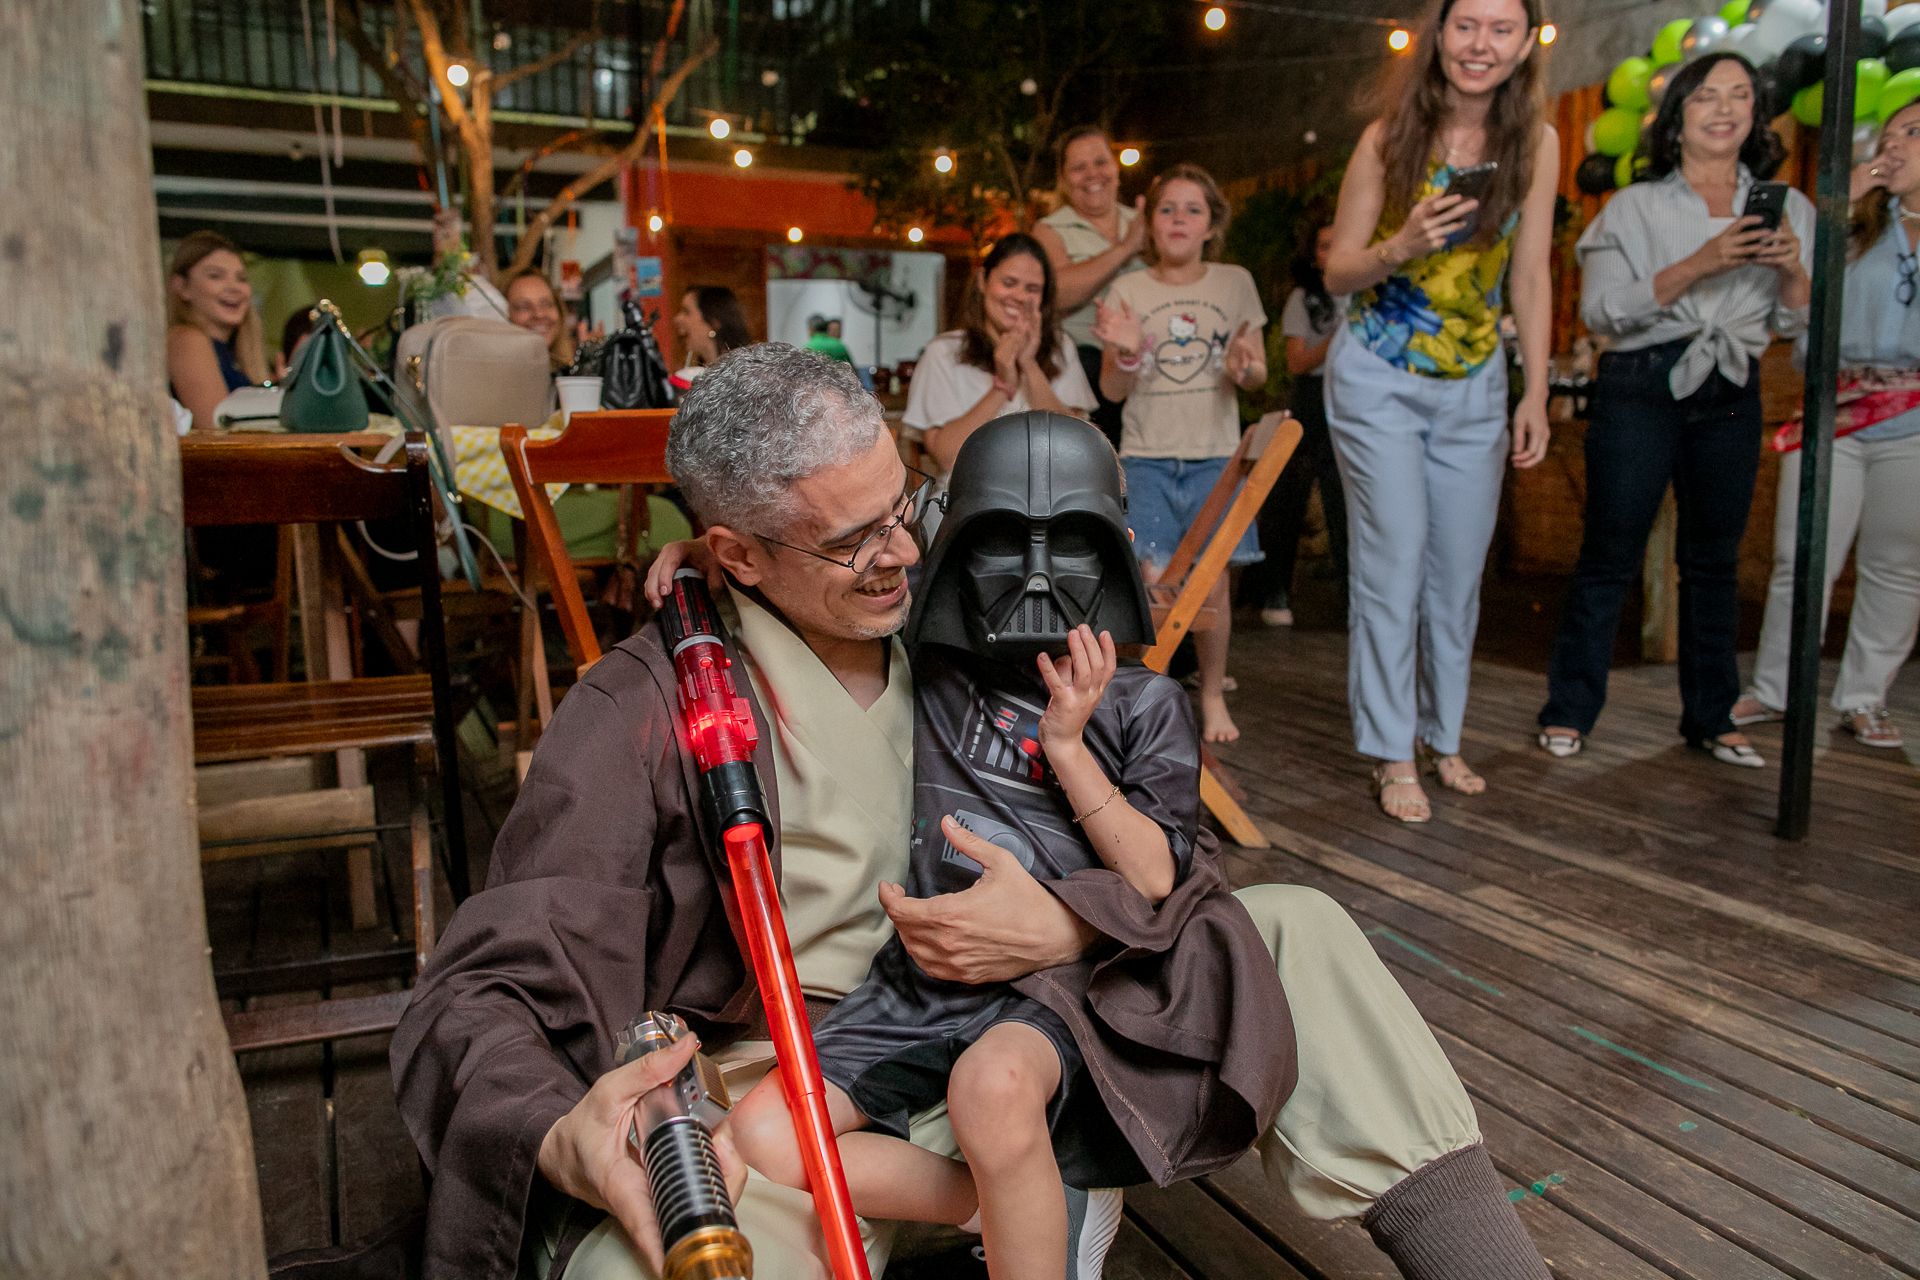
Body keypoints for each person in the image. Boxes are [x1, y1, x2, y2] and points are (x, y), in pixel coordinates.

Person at [392, 343, 1550, 1280]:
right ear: (735, 553)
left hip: (1048, 1010)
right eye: (852, 543)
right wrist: (561, 1128)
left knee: (1296, 926)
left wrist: (1071, 927)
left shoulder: (967, 618)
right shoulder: (649, 704)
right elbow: (486, 985)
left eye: (905, 507)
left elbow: (1156, 850)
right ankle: (1025, 1198)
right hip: (826, 1092)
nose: (900, 555)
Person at [726, 414, 1292, 1280]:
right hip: (922, 982)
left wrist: (1068, 746)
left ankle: (1031, 1208)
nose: (1034, 579)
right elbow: (820, 568)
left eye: (1064, 544)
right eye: (1001, 544)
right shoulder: (937, 665)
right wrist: (709, 564)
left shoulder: (1146, 707)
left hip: (1058, 985)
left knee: (991, 1091)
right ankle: (1000, 1197)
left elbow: (1152, 877)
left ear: (1112, 549)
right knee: (762, 1135)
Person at [1536, 51, 1811, 767]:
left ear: (1756, 114)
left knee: (1714, 562)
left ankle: (1713, 717)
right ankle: (1568, 710)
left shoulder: (1790, 205)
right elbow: (1602, 311)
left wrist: (1791, 272)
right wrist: (1704, 260)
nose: (1724, 109)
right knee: (1609, 553)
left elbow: (1795, 325)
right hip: (1641, 382)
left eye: (1740, 96)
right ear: (1678, 116)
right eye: (1706, 97)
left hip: (1731, 383)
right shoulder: (1635, 207)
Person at [1320, 0, 1557, 821]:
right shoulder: (1388, 138)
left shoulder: (1537, 143)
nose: (1480, 44)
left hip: (1476, 382)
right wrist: (1404, 244)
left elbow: (1529, 275)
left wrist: (1535, 389)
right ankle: (1390, 753)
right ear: (1439, 35)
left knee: (1457, 574)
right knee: (1393, 565)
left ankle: (1440, 736)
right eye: (1466, 25)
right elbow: (1339, 271)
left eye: (1501, 28)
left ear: (1526, 43)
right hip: (1379, 374)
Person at [1731, 102, 1920, 750]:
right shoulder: (1845, 226)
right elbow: (1796, 318)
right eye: (1888, 135)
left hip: (1914, 420)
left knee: (1897, 564)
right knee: (1801, 555)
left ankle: (1864, 697)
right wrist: (1840, 211)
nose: (1894, 146)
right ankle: (1777, 688)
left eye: (1912, 135)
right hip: (1833, 409)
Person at [1093, 163, 1269, 744]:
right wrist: (1121, 354)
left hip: (1215, 456)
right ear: (1150, 221)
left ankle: (1213, 694)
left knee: (1212, 587)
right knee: (1156, 582)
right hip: (1144, 455)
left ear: (1211, 223)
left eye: (1193, 210)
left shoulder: (1234, 282)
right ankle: (1153, 697)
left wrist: (1246, 368)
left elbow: (1257, 372)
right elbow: (1112, 393)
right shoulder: (1128, 290)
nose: (1179, 219)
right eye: (1167, 208)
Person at [903, 233, 1096, 477]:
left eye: (1032, 288)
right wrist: (1002, 386)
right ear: (983, 280)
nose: (1019, 296)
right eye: (1008, 283)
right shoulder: (943, 351)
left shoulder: (1061, 346)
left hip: (1049, 497)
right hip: (971, 500)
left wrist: (1028, 365)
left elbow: (1076, 452)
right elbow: (948, 458)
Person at [1239, 219, 1351, 628]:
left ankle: (1354, 602)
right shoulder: (1304, 299)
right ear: (1312, 255)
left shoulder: (1364, 293)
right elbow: (1296, 361)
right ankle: (1272, 591)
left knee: (1347, 505)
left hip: (1354, 401)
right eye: (1324, 245)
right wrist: (1338, 339)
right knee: (1287, 500)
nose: (1332, 251)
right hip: (1312, 402)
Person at [1034, 125, 1150, 448]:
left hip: (1148, 355)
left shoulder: (1144, 220)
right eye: (1078, 167)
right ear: (1064, 179)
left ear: (1115, 168)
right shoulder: (1049, 230)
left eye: (1100, 162)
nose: (1092, 174)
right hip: (1087, 365)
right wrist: (1127, 248)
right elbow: (1058, 292)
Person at [166, 230, 268, 431]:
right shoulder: (187, 340)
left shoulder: (236, 354)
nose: (234, 288)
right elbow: (216, 430)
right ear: (182, 287)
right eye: (216, 276)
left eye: (241, 278)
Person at [505, 269, 579, 372]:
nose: (539, 314)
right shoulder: (495, 380)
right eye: (523, 307)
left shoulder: (571, 375)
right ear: (505, 317)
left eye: (546, 304)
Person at [672, 284, 753, 372]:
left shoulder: (742, 373)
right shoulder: (696, 371)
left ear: (714, 322)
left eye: (686, 312)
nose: (677, 319)